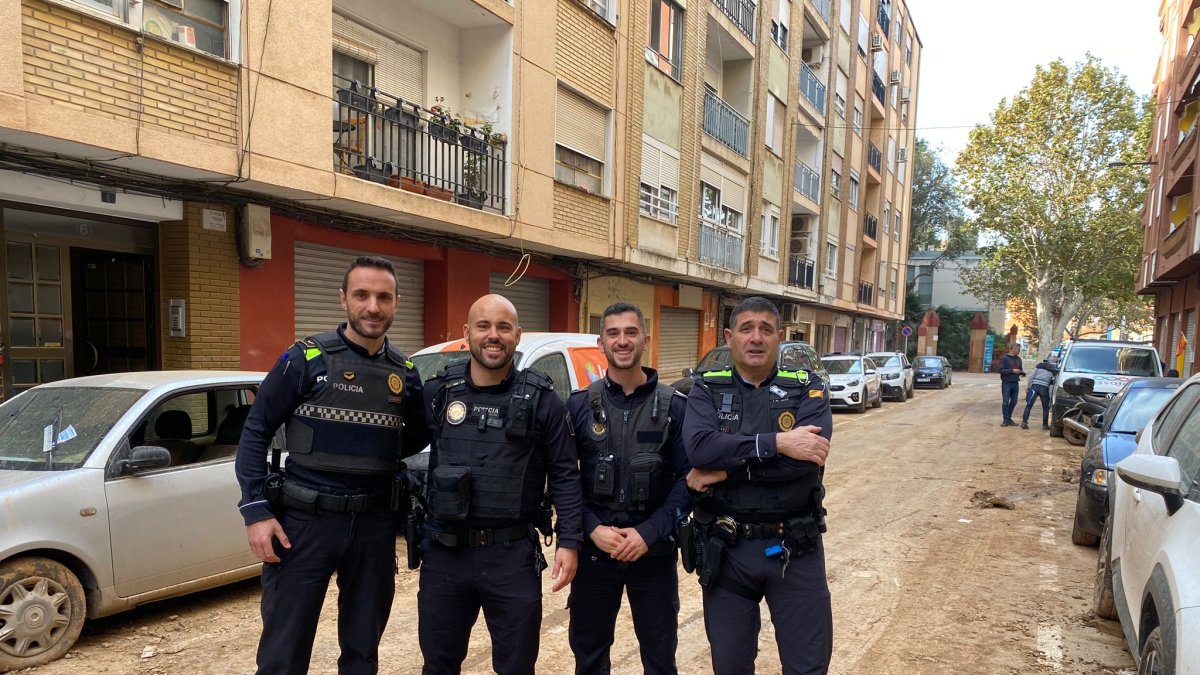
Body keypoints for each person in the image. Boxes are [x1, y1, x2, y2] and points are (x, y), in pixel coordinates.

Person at [234, 256, 429, 675]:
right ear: (344, 299)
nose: (372, 306)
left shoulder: (406, 373)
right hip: (304, 523)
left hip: (375, 526)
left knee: (362, 654)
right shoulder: (305, 359)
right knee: (283, 655)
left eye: (383, 297)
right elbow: (255, 431)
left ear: (397, 302)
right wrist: (256, 512)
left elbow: (416, 436)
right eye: (362, 295)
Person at [418, 294, 583, 675]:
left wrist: (569, 541)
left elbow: (564, 475)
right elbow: (397, 447)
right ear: (467, 334)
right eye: (484, 326)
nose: (493, 336)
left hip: (511, 555)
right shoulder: (438, 393)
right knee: (439, 663)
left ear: (517, 335)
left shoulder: (543, 401)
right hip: (445, 553)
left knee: (516, 665)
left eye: (503, 327)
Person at [682, 297, 833, 674]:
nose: (756, 338)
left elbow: (806, 463)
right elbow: (700, 449)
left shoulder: (807, 387)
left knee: (808, 667)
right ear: (730, 337)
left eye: (766, 329)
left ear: (779, 338)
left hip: (795, 547)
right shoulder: (706, 389)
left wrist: (728, 470)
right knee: (730, 666)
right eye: (747, 329)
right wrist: (778, 443)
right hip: (728, 549)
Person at [566, 303, 691, 675]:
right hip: (594, 555)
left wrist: (648, 533)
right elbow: (563, 480)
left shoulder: (675, 408)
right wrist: (590, 528)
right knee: (588, 657)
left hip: (652, 555)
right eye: (613, 333)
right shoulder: (578, 406)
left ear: (645, 340)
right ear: (601, 342)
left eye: (631, 332)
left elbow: (688, 483)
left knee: (659, 658)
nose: (623, 341)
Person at [1021, 354, 1058, 430]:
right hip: (1044, 388)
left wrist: (1028, 387)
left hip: (1034, 386)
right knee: (1045, 407)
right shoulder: (1054, 369)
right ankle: (1045, 425)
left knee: (1029, 405)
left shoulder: (1039, 365)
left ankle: (1024, 422)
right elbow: (1053, 381)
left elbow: (1031, 376)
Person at [998, 343, 1025, 427]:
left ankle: (1008, 418)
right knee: (1006, 401)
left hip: (1015, 382)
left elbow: (1020, 369)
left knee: (1014, 401)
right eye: (1018, 349)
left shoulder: (1019, 359)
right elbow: (1000, 370)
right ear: (1013, 349)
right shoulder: (1004, 358)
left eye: (1019, 349)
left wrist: (1021, 373)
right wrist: (1012, 371)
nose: (1019, 351)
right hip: (1006, 382)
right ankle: (1005, 420)